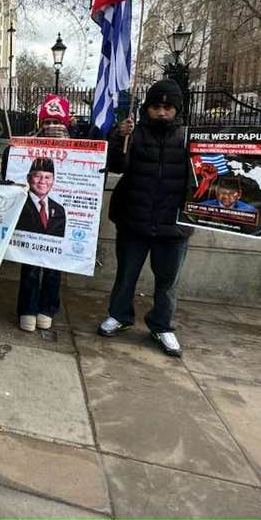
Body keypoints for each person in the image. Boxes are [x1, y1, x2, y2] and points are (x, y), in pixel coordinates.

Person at [97, 80, 190, 357]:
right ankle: (120, 316)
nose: (161, 113)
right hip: (134, 219)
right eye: (156, 107)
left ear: (177, 110)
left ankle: (162, 325)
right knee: (126, 275)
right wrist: (118, 137)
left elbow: (221, 172)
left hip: (173, 225)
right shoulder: (134, 135)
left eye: (168, 108)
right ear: (146, 108)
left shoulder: (189, 139)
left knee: (168, 280)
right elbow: (116, 165)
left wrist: (259, 183)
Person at [1, 94, 71, 332]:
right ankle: (27, 309)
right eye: (47, 122)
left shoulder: (77, 147)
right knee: (30, 267)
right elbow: (8, 172)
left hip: (54, 222)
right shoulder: (26, 145)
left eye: (56, 122)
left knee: (54, 267)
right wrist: (13, 153)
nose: (51, 127)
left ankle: (47, 308)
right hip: (29, 217)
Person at [15, 158, 66, 237]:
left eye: (47, 177)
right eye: (37, 176)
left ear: (53, 180)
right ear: (28, 178)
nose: (42, 181)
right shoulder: (17, 204)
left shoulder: (59, 210)